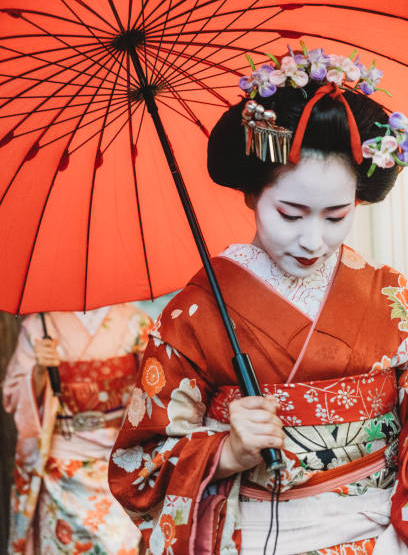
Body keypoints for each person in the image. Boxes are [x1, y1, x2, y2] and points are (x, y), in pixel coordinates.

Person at [108, 46, 408, 554]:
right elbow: (138, 467)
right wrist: (225, 451)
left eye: (336, 216)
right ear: (252, 194)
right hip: (256, 539)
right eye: (291, 213)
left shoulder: (390, 297)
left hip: (381, 538)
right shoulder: (195, 315)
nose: (313, 240)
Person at [3, 303, 153, 555]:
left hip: (120, 462)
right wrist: (40, 370)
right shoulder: (40, 325)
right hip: (61, 465)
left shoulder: (137, 322)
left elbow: (157, 388)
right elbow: (12, 396)